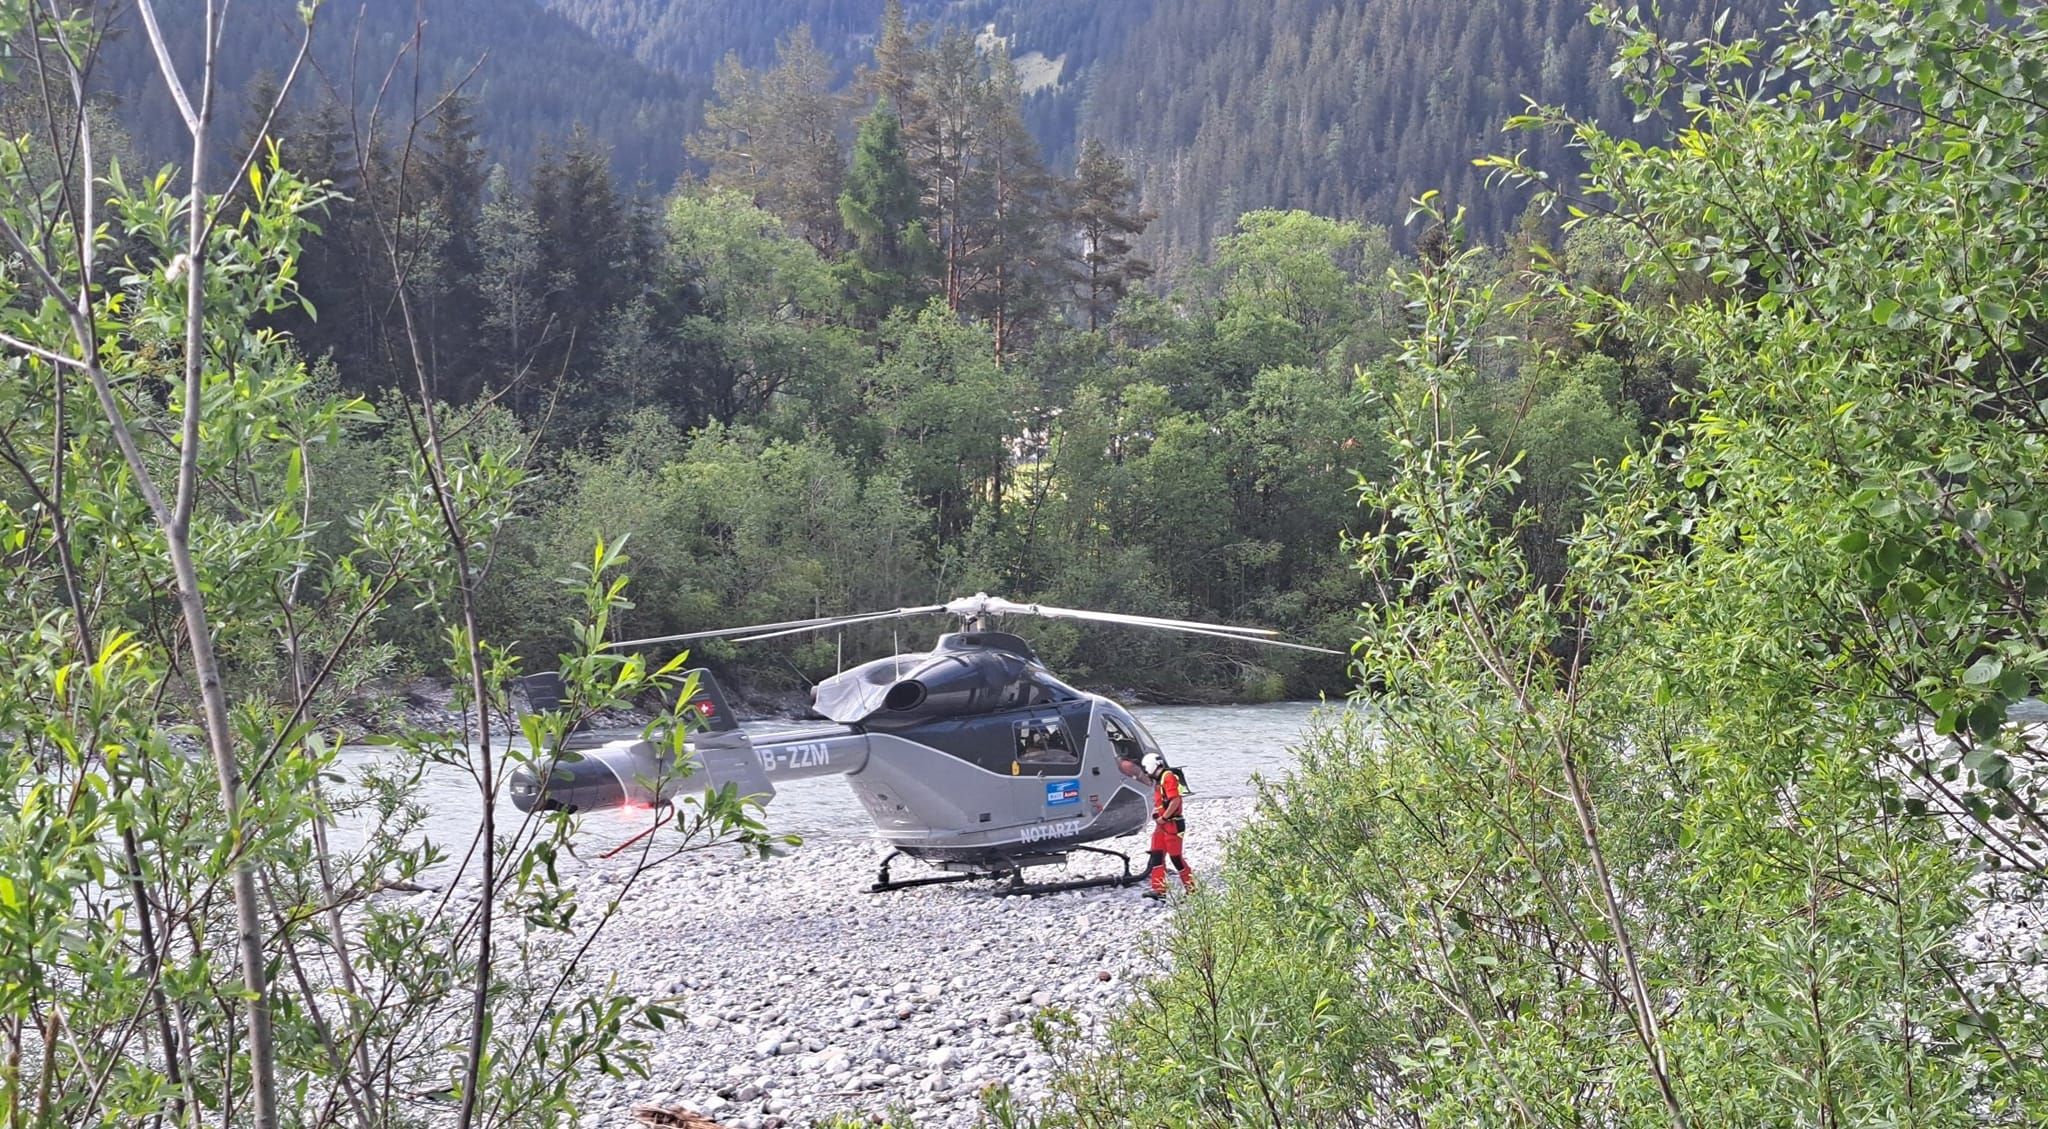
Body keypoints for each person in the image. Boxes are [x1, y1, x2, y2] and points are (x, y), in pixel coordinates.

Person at [1140, 751, 1194, 899]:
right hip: (1163, 825)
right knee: (1156, 855)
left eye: (1146, 769)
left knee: (1176, 858)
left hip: (1172, 825)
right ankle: (1159, 890)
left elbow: (1175, 800)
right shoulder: (1161, 780)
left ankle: (1192, 889)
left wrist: (1164, 817)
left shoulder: (1167, 777)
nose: (1146, 773)